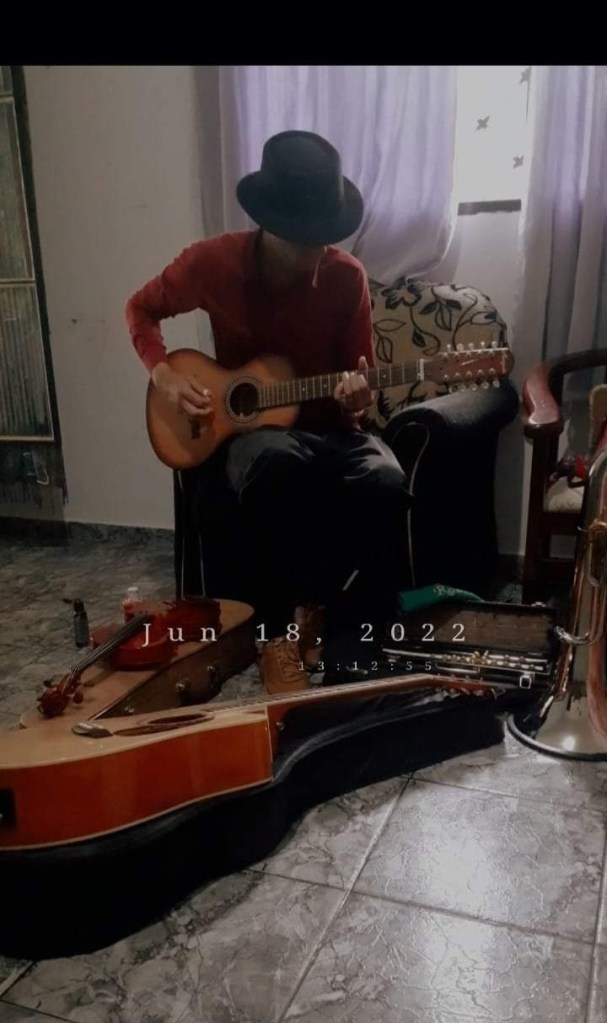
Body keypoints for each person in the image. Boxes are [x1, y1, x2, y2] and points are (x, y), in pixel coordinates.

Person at [126, 130, 412, 694]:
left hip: (331, 430)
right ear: (267, 222)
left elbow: (360, 380)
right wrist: (165, 375)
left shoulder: (346, 277)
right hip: (251, 434)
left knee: (387, 480)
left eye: (322, 239)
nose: (312, 253)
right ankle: (276, 639)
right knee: (275, 462)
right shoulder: (211, 263)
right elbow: (140, 309)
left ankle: (347, 637)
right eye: (299, 239)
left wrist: (357, 399)